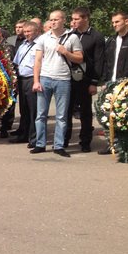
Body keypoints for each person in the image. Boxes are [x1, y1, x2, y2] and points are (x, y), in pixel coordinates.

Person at [32, 10, 83, 157]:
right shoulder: (43, 38)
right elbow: (38, 61)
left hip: (63, 79)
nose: (53, 22)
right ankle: (40, 144)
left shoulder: (72, 37)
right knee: (41, 114)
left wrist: (66, 52)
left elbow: (80, 58)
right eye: (51, 20)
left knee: (61, 116)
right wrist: (36, 81)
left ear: (63, 20)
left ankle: (59, 145)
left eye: (56, 19)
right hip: (45, 78)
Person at [65, 7, 105, 152]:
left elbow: (99, 61)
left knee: (85, 112)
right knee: (66, 110)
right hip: (68, 78)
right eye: (72, 19)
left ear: (86, 18)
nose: (73, 21)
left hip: (86, 79)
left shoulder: (96, 36)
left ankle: (86, 141)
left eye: (77, 19)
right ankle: (64, 139)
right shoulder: (69, 35)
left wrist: (94, 82)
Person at [98, 11, 128, 155]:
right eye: (113, 22)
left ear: (127, 22)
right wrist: (105, 81)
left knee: (125, 115)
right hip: (112, 84)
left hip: (126, 84)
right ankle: (112, 143)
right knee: (111, 114)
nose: (114, 25)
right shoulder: (111, 41)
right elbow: (106, 62)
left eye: (117, 22)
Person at [10, 21, 41, 147]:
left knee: (34, 110)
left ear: (36, 31)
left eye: (29, 31)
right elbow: (17, 62)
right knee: (24, 109)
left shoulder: (40, 44)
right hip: (22, 79)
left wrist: (37, 81)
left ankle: (34, 138)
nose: (27, 34)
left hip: (33, 79)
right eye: (25, 32)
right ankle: (24, 134)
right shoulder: (23, 44)